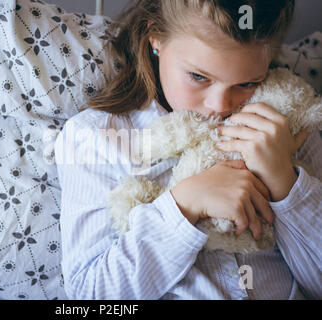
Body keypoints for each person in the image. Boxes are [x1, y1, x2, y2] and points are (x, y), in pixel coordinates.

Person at [54, 0, 321, 299]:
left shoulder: (291, 125)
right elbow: (92, 296)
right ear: (156, 39)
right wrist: (185, 205)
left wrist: (285, 182)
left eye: (247, 82)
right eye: (198, 77)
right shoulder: (96, 138)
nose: (220, 106)